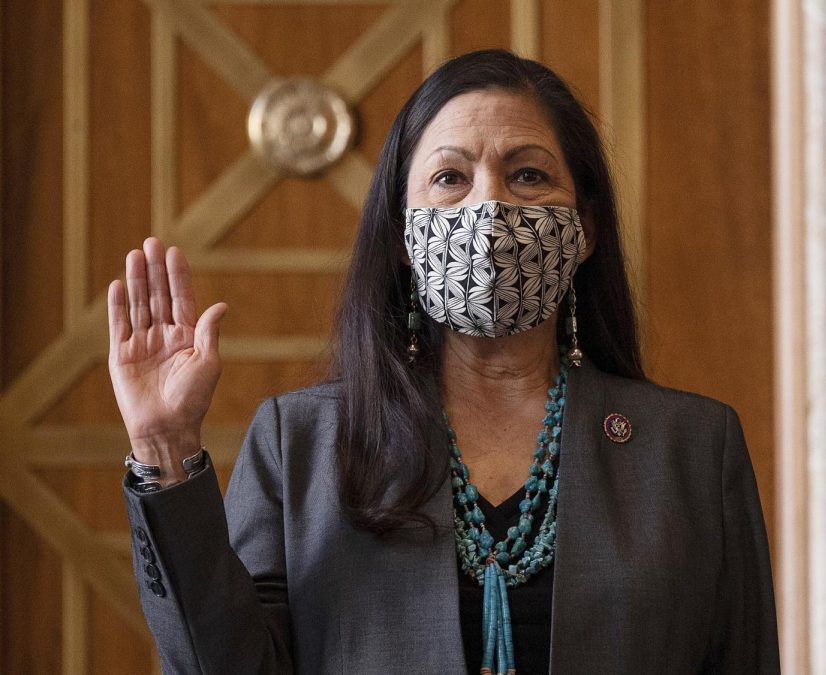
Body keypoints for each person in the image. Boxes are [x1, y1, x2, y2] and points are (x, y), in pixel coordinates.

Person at [109, 50, 779, 674]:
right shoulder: (303, 443)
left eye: (528, 174)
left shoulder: (692, 447)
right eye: (450, 177)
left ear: (585, 230)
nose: (489, 205)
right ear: (404, 235)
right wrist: (163, 445)